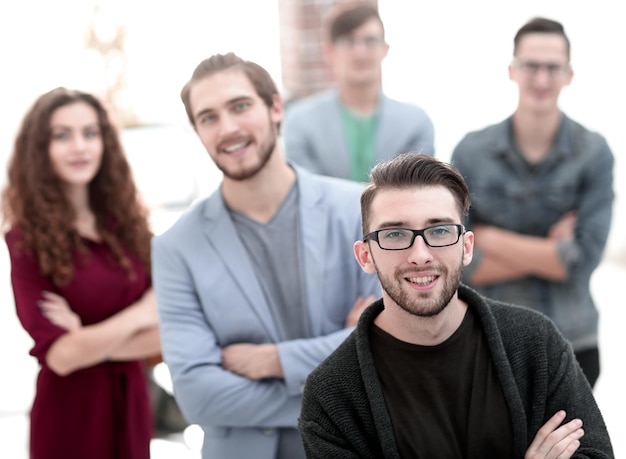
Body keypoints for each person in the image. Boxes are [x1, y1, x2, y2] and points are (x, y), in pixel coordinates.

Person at [299, 153, 614, 458]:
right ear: (365, 256)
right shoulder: (331, 394)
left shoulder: (536, 343)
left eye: (439, 231)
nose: (420, 255)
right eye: (395, 234)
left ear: (466, 248)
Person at [150, 52, 380, 459]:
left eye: (240, 106)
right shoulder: (175, 248)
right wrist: (343, 372)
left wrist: (275, 361)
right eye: (209, 117)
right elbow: (198, 397)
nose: (228, 128)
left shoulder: (358, 211)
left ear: (275, 107)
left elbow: (388, 349)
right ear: (198, 131)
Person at [450, 17, 614, 389]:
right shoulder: (471, 152)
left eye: (553, 68)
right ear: (512, 70)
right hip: (489, 336)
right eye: (531, 66)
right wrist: (551, 251)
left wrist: (490, 239)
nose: (542, 79)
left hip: (573, 340)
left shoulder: (594, 152)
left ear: (569, 74)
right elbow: (460, 261)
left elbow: (582, 259)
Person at [1, 88, 160, 459]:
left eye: (90, 133)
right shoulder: (26, 242)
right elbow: (61, 357)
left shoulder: (130, 229)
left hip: (131, 404)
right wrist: (140, 314)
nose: (80, 146)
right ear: (40, 149)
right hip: (70, 414)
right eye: (62, 135)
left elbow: (167, 335)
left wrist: (85, 339)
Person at [282, 1, 434, 182]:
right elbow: (309, 192)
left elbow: (414, 190)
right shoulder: (300, 122)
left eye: (370, 40)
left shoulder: (415, 123)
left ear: (384, 50)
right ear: (329, 51)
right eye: (348, 41)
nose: (360, 52)